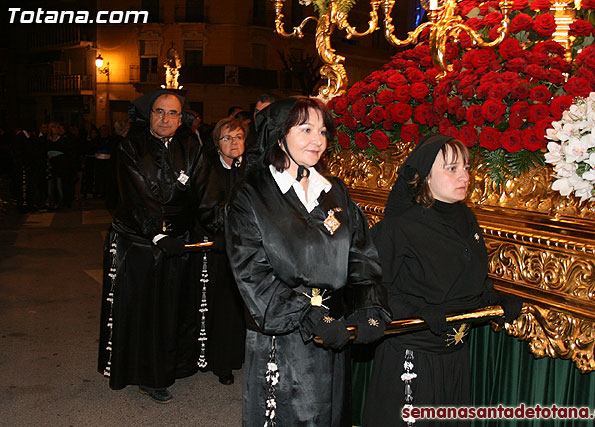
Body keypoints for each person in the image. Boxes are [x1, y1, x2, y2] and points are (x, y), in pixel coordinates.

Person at [225, 97, 391, 427]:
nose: (318, 140)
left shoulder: (335, 191)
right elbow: (253, 274)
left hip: (335, 328)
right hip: (283, 336)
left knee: (331, 414)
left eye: (323, 131)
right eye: (306, 130)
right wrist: (309, 317)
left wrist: (369, 307)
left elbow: (360, 255)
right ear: (278, 134)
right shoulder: (250, 195)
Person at [361, 134, 522, 426]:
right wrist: (415, 309)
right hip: (414, 354)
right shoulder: (399, 227)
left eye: (466, 167)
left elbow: (468, 278)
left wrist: (492, 298)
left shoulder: (467, 219)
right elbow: (372, 287)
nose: (464, 175)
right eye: (452, 168)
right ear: (425, 178)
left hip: (454, 352)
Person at [97, 90, 224, 404]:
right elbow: (135, 198)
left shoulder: (191, 145)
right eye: (160, 112)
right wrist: (157, 236)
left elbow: (207, 194)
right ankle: (149, 377)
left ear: (181, 118)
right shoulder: (130, 146)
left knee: (174, 309)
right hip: (139, 242)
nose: (166, 119)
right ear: (148, 114)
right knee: (147, 313)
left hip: (177, 242)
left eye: (173, 113)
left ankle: (174, 365)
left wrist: (227, 226)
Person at [195, 116, 248, 386]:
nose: (234, 143)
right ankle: (221, 362)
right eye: (227, 138)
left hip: (245, 247)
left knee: (242, 306)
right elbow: (208, 210)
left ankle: (240, 356)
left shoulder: (249, 168)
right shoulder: (209, 168)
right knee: (221, 306)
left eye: (238, 137)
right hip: (216, 248)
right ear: (217, 143)